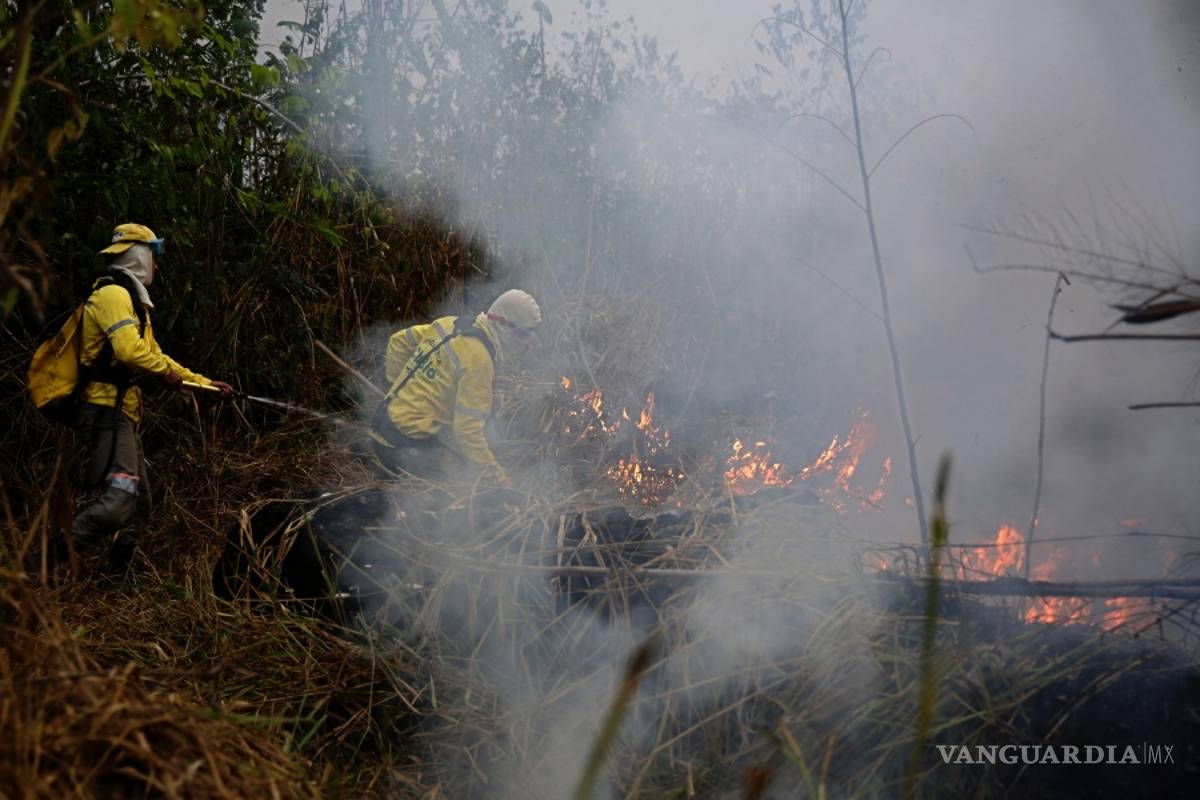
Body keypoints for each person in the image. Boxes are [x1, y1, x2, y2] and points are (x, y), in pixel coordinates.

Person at [57, 223, 234, 572]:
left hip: (122, 412)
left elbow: (156, 356)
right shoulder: (112, 295)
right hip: (105, 409)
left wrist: (205, 384)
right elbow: (129, 351)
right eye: (153, 257)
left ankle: (113, 577)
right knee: (120, 502)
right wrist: (166, 375)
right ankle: (43, 561)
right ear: (138, 255)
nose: (156, 266)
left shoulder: (133, 302)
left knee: (140, 505)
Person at [370, 289, 541, 485]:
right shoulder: (479, 360)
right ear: (505, 325)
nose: (524, 345)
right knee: (461, 487)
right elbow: (467, 433)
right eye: (522, 335)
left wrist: (397, 389)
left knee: (457, 460)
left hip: (381, 427)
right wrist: (500, 480)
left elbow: (398, 342)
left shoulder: (449, 324)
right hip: (402, 447)